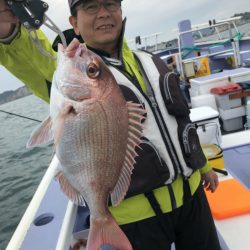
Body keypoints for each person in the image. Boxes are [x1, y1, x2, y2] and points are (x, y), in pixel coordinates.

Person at [0, 0, 220, 249]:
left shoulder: (150, 60)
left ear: (121, 11)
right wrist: (9, 31)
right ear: (74, 23)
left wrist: (203, 166)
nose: (103, 13)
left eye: (110, 4)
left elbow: (179, 122)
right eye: (91, 7)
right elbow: (30, 55)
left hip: (193, 199)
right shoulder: (72, 71)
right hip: (136, 220)